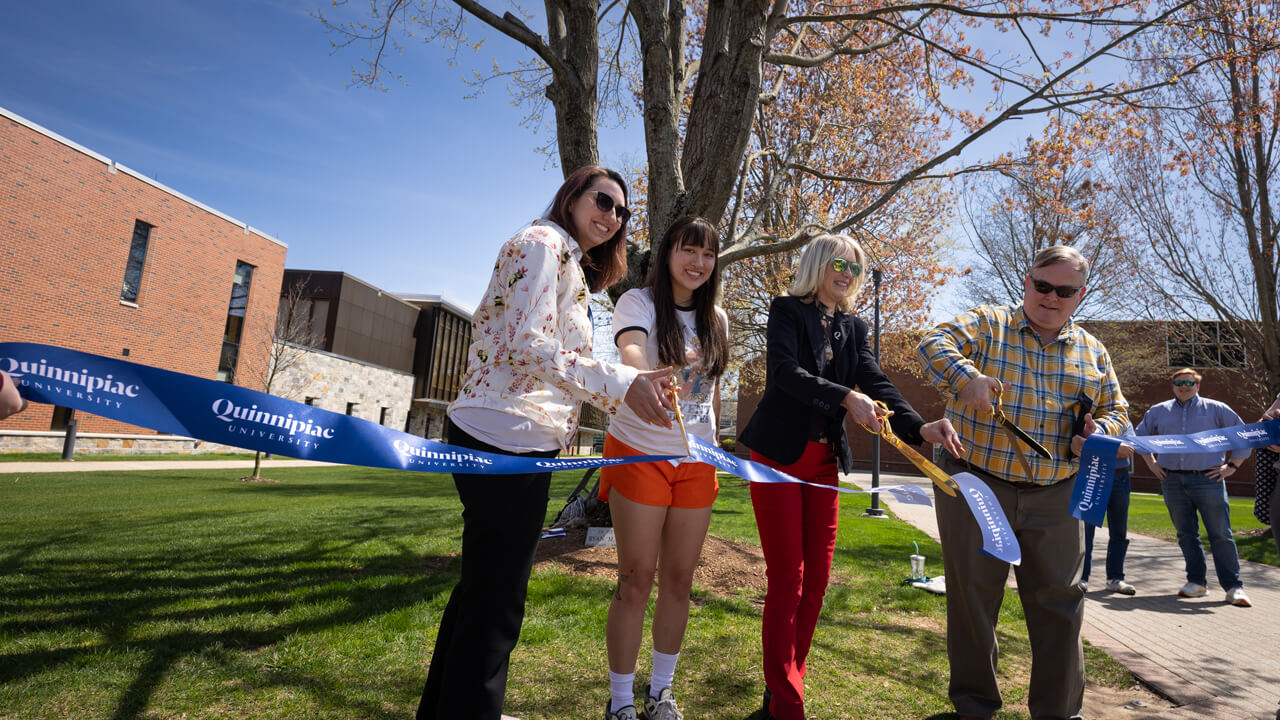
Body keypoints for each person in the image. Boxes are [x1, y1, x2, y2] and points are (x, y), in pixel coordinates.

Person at [416, 165, 676, 720]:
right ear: (573, 196)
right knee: (498, 598)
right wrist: (623, 385)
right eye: (603, 201)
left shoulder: (565, 260)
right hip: (503, 434)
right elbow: (528, 346)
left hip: (516, 435)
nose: (612, 216)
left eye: (622, 212)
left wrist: (623, 383)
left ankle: (449, 709)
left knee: (481, 588)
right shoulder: (541, 244)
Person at [739, 234, 963, 720]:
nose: (847, 273)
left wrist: (918, 425)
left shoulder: (854, 327)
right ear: (818, 262)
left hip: (823, 464)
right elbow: (784, 372)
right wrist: (845, 397)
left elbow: (876, 381)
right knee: (788, 581)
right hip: (777, 457)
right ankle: (788, 705)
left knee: (817, 582)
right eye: (840, 262)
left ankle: (783, 689)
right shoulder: (786, 310)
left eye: (857, 268)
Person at [918, 245, 1132, 720]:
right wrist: (965, 377)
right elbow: (932, 340)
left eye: (1065, 290)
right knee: (973, 600)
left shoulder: (1094, 351)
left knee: (1062, 602)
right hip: (976, 487)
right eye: (1042, 285)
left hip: (1057, 496)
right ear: (1027, 280)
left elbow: (1118, 411)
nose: (1051, 297)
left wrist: (1102, 433)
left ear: (1079, 295)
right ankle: (974, 707)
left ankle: (1059, 712)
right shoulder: (989, 323)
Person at [598, 216, 730, 720]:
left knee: (679, 579)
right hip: (640, 454)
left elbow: (711, 393)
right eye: (688, 250)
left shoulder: (717, 317)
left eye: (708, 255)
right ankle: (622, 701)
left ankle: (661, 695)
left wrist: (713, 448)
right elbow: (631, 348)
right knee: (636, 578)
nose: (697, 262)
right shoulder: (639, 303)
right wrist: (639, 371)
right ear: (667, 253)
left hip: (697, 463)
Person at [1137, 369, 1252, 607]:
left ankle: (1234, 587)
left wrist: (1232, 466)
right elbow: (1139, 439)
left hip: (1208, 479)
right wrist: (1152, 463)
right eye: (1179, 382)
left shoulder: (1216, 408)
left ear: (1198, 386)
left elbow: (1243, 435)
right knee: (1186, 534)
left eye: (1189, 382)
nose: (1184, 386)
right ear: (1173, 386)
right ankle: (1197, 583)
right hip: (1172, 481)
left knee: (1221, 534)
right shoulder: (1158, 411)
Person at [1082, 425, 1137, 595]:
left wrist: (1102, 447)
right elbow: (1084, 445)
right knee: (1086, 533)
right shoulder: (1089, 415)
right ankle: (1081, 578)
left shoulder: (1123, 418)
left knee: (1119, 532)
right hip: (1092, 474)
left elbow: (1130, 448)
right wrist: (1116, 448)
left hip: (1120, 477)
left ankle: (1115, 579)